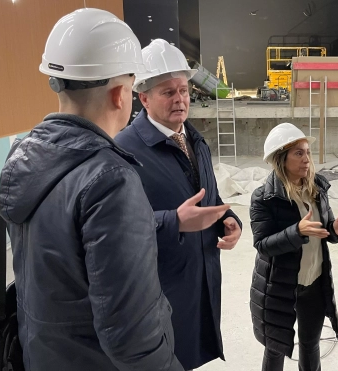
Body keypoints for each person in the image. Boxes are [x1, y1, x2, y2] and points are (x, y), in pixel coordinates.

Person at [0, 8, 230, 371]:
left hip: (46, 354)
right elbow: (132, 334)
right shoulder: (109, 175)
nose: (180, 99)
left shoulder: (24, 156)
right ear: (124, 95)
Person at [115, 39, 242, 370]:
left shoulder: (194, 140)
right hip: (158, 291)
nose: (180, 99)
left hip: (199, 280)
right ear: (143, 98)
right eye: (168, 92)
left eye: (184, 90)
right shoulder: (124, 152)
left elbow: (208, 198)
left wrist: (228, 218)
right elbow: (116, 230)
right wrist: (174, 221)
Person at [249, 123, 338, 371]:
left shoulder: (317, 188)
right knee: (276, 348)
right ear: (280, 158)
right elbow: (262, 245)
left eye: (307, 152)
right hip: (280, 286)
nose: (307, 159)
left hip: (314, 282)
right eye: (298, 153)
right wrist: (296, 232)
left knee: (310, 344)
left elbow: (324, 228)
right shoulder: (264, 197)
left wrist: (334, 232)